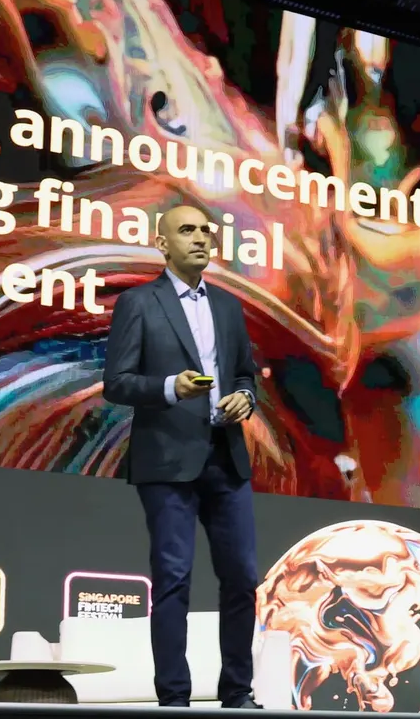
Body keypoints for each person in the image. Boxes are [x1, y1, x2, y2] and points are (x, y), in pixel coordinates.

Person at [102, 204, 262, 709]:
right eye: (186, 230)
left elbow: (245, 373)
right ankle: (174, 698)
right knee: (173, 579)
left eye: (205, 231)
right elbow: (116, 383)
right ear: (162, 244)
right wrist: (172, 387)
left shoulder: (228, 307)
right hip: (167, 459)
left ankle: (237, 692)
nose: (200, 238)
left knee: (242, 578)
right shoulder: (139, 303)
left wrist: (245, 397)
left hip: (226, 457)